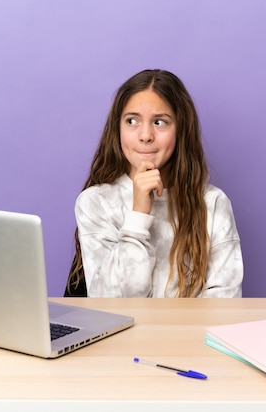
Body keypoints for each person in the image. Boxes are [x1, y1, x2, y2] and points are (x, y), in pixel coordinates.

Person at [66, 69, 243, 298]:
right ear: (117, 128)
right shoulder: (96, 202)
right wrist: (138, 214)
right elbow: (110, 304)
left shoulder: (213, 203)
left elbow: (225, 302)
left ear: (181, 130)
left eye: (160, 122)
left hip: (191, 335)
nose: (145, 135)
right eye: (132, 121)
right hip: (122, 335)